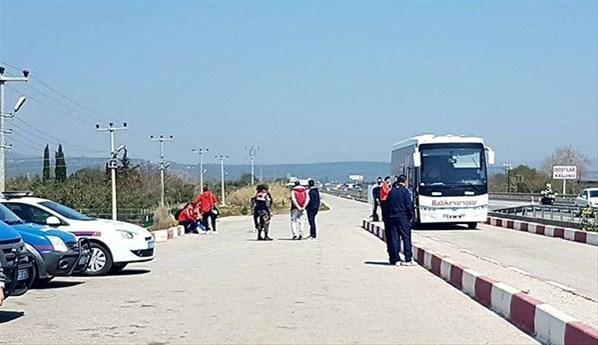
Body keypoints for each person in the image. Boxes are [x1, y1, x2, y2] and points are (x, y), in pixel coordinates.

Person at [387, 174, 415, 266]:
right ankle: (408, 259)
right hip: (403, 217)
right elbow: (408, 205)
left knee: (395, 238)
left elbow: (388, 204)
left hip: (392, 217)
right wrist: (411, 216)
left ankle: (396, 259)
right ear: (405, 181)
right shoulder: (405, 191)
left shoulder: (392, 191)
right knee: (406, 238)